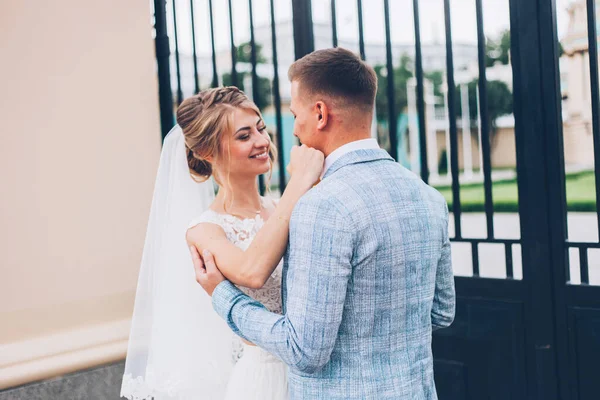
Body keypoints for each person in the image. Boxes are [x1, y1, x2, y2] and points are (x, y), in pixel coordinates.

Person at [193, 47, 456, 399]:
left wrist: (224, 297)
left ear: (319, 114)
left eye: (295, 114)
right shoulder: (428, 197)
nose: (294, 128)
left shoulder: (321, 206)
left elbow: (305, 351)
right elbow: (441, 312)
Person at [121, 86, 323, 400]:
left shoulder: (280, 207)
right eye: (244, 136)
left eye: (261, 129)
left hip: (313, 374)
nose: (262, 142)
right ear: (207, 152)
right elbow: (252, 271)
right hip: (265, 379)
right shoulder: (205, 230)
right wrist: (299, 182)